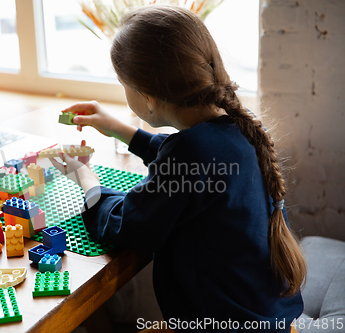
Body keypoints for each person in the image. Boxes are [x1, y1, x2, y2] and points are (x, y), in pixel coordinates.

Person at [49, 5, 305, 333]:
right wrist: (120, 130)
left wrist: (86, 178)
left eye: (122, 83)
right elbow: (190, 167)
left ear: (148, 98)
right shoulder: (238, 129)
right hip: (271, 321)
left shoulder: (188, 152)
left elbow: (123, 225)